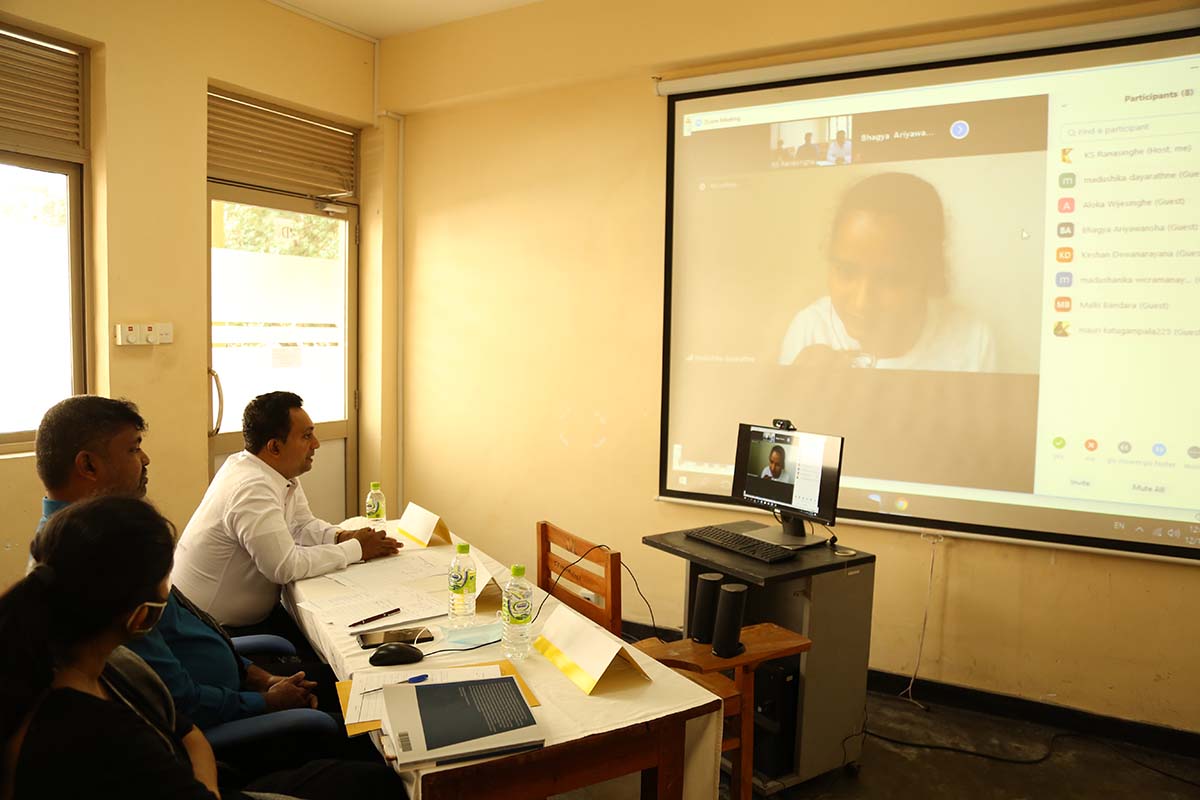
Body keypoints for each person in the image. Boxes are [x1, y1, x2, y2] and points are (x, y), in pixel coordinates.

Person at [0, 496, 404, 800]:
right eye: (166, 581)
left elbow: (186, 729)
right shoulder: (103, 735)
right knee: (378, 782)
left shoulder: (108, 666)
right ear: (141, 616)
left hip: (206, 759)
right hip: (212, 773)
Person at [28, 396, 329, 746]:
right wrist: (264, 700)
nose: (145, 459)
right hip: (217, 725)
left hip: (237, 684)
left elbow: (187, 632)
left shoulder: (99, 537)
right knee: (358, 720)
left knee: (344, 685)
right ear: (89, 467)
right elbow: (174, 699)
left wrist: (259, 678)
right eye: (133, 449)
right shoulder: (93, 565)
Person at [173, 391, 400, 634]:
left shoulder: (271, 471)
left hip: (251, 618)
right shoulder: (252, 489)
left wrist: (342, 537)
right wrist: (358, 549)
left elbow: (301, 525)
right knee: (334, 648)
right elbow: (284, 566)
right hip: (214, 631)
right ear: (274, 447)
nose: (316, 444)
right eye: (306, 436)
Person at [778, 172, 995, 372]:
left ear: (928, 273)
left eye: (890, 279)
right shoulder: (810, 329)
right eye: (846, 272)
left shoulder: (972, 342)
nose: (861, 303)